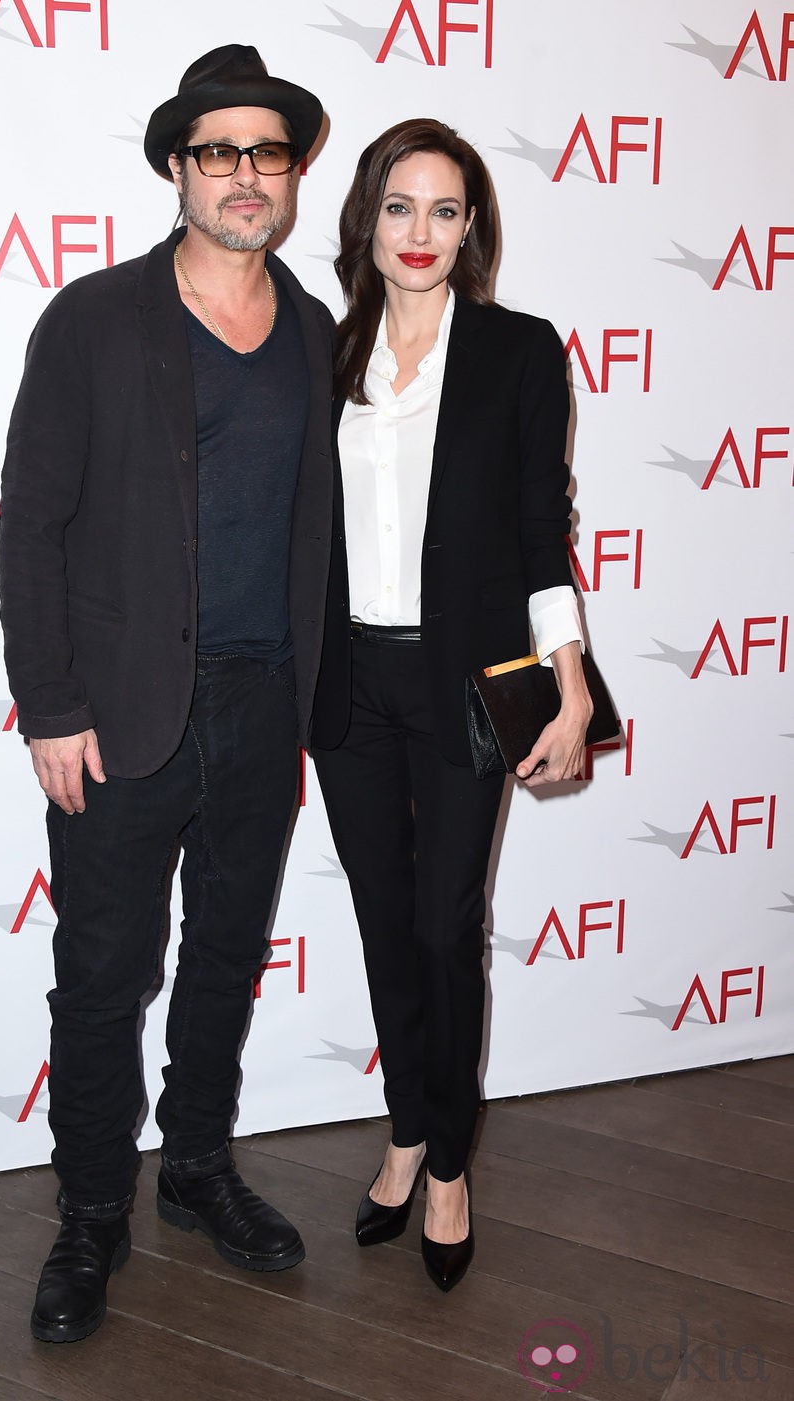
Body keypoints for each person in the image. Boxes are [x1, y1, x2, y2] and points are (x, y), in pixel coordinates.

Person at [0, 45, 333, 1342]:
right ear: (178, 169)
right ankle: (91, 1213)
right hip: (122, 713)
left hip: (266, 705)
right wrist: (49, 704)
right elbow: (36, 524)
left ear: (292, 172)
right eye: (218, 151)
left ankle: (195, 1168)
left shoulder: (315, 327)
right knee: (101, 974)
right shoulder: (93, 320)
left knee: (228, 956)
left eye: (267, 152)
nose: (244, 175)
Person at [310, 119, 592, 1292]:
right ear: (365, 221)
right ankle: (404, 1128)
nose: (417, 233)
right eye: (396, 207)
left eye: (442, 210)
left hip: (465, 684)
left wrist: (568, 688)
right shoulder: (320, 355)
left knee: (443, 928)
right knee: (382, 924)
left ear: (470, 226)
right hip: (346, 685)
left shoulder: (518, 353)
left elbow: (539, 533)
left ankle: (446, 1167)